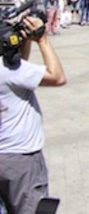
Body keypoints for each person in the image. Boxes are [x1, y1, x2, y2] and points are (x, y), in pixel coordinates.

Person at [0, 15, 67, 214]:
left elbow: (19, 68)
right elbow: (57, 77)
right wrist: (42, 39)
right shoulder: (10, 72)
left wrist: (25, 40)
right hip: (21, 158)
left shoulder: (9, 73)